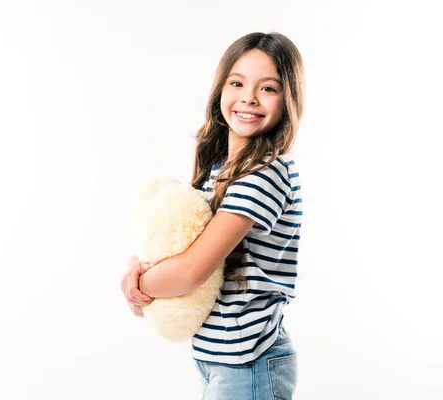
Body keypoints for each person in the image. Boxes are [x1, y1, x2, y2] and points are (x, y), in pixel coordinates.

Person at [121, 31, 305, 400]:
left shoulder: (263, 173)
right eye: (237, 82)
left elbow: (192, 270)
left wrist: (139, 286)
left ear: (288, 100)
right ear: (221, 88)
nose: (249, 97)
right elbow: (180, 240)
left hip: (248, 362)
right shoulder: (224, 167)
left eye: (268, 88)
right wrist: (137, 265)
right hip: (222, 358)